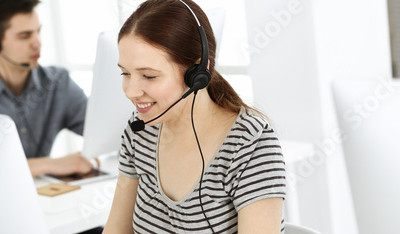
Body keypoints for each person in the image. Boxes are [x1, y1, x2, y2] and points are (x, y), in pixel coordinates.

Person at [104, 0, 286, 233]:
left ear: (196, 73)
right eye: (126, 73)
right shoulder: (139, 130)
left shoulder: (250, 145)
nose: (130, 91)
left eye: (149, 76)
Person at [0, 0, 94, 178]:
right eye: (25, 36)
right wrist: (49, 164)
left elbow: (101, 132)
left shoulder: (58, 82)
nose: (37, 43)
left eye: (38, 32)